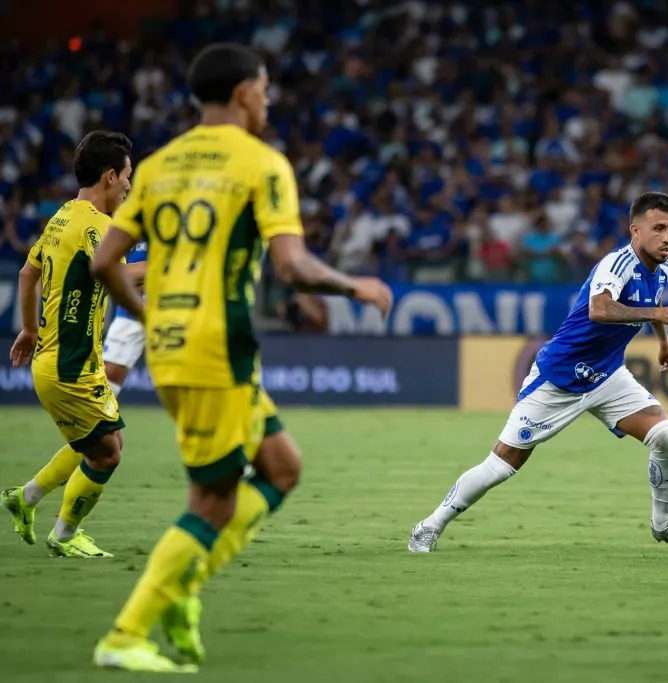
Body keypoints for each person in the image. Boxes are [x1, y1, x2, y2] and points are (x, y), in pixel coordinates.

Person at [89, 42, 394, 673]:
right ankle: (129, 630)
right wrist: (353, 286)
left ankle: (185, 589)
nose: (269, 98)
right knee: (215, 500)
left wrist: (152, 316)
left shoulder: (160, 164)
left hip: (182, 347)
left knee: (281, 466)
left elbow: (104, 263)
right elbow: (291, 266)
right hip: (215, 349)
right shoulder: (262, 163)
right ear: (242, 93)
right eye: (264, 87)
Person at [409, 191, 668, 553]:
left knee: (666, 436)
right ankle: (429, 526)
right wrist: (659, 316)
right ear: (634, 231)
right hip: (559, 379)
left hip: (607, 376)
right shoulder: (616, 264)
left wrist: (664, 341)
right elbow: (599, 309)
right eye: (658, 228)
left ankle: (662, 523)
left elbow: (652, 300)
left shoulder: (663, 269)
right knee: (502, 464)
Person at [2, 131, 134, 558]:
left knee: (95, 444)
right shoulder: (97, 225)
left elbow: (27, 274)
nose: (129, 186)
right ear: (110, 176)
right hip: (70, 368)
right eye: (127, 176)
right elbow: (116, 273)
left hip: (57, 361)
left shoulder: (62, 216)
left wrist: (28, 329)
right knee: (107, 453)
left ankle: (26, 498)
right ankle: (63, 535)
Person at [101, 241, 149, 396]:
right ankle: (96, 417)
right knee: (109, 374)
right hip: (131, 304)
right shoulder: (121, 222)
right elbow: (109, 270)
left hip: (174, 303)